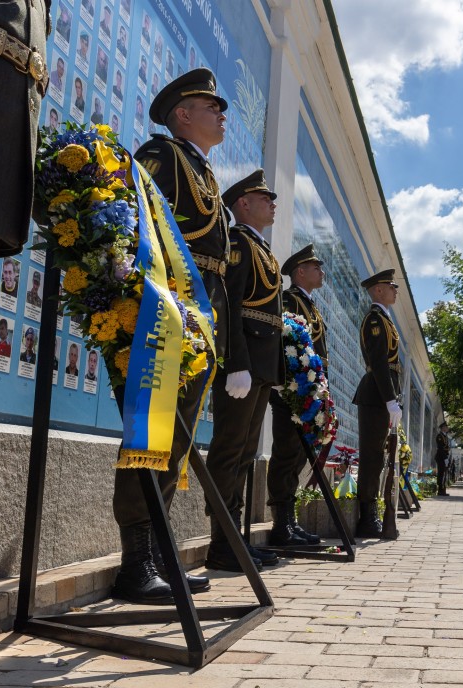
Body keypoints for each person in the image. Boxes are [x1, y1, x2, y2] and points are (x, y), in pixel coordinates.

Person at [109, 69, 232, 603]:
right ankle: (135, 563)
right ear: (183, 113)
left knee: (176, 436)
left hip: (199, 309)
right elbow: (139, 225)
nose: (221, 115)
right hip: (165, 306)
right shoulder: (160, 156)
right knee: (151, 432)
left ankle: (157, 556)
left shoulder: (201, 169)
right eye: (212, 106)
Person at [204, 170, 292, 567]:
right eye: (264, 197)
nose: (272, 203)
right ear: (243, 203)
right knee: (229, 450)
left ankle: (234, 538)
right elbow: (230, 306)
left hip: (259, 367)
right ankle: (222, 544)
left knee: (244, 452)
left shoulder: (261, 248)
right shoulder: (238, 243)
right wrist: (236, 363)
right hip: (243, 366)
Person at [268, 243, 329, 546]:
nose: (321, 272)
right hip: (291, 393)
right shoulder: (289, 300)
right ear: (300, 272)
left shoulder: (312, 306)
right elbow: (288, 346)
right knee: (286, 454)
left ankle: (290, 521)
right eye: (316, 267)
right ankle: (281, 524)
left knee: (297, 457)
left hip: (309, 393)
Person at [352, 268, 402, 538]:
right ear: (378, 290)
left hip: (382, 396)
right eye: (391, 286)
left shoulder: (385, 319)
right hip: (375, 396)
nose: (395, 290)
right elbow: (380, 364)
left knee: (379, 457)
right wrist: (390, 400)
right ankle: (366, 516)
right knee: (371, 457)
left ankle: (372, 511)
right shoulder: (374, 320)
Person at [435, 422, 451, 496]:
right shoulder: (440, 436)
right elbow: (441, 448)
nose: (447, 428)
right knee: (441, 474)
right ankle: (440, 490)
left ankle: (443, 489)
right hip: (441, 457)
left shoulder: (445, 436)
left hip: (444, 457)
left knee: (444, 474)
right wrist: (445, 458)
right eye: (446, 427)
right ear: (443, 428)